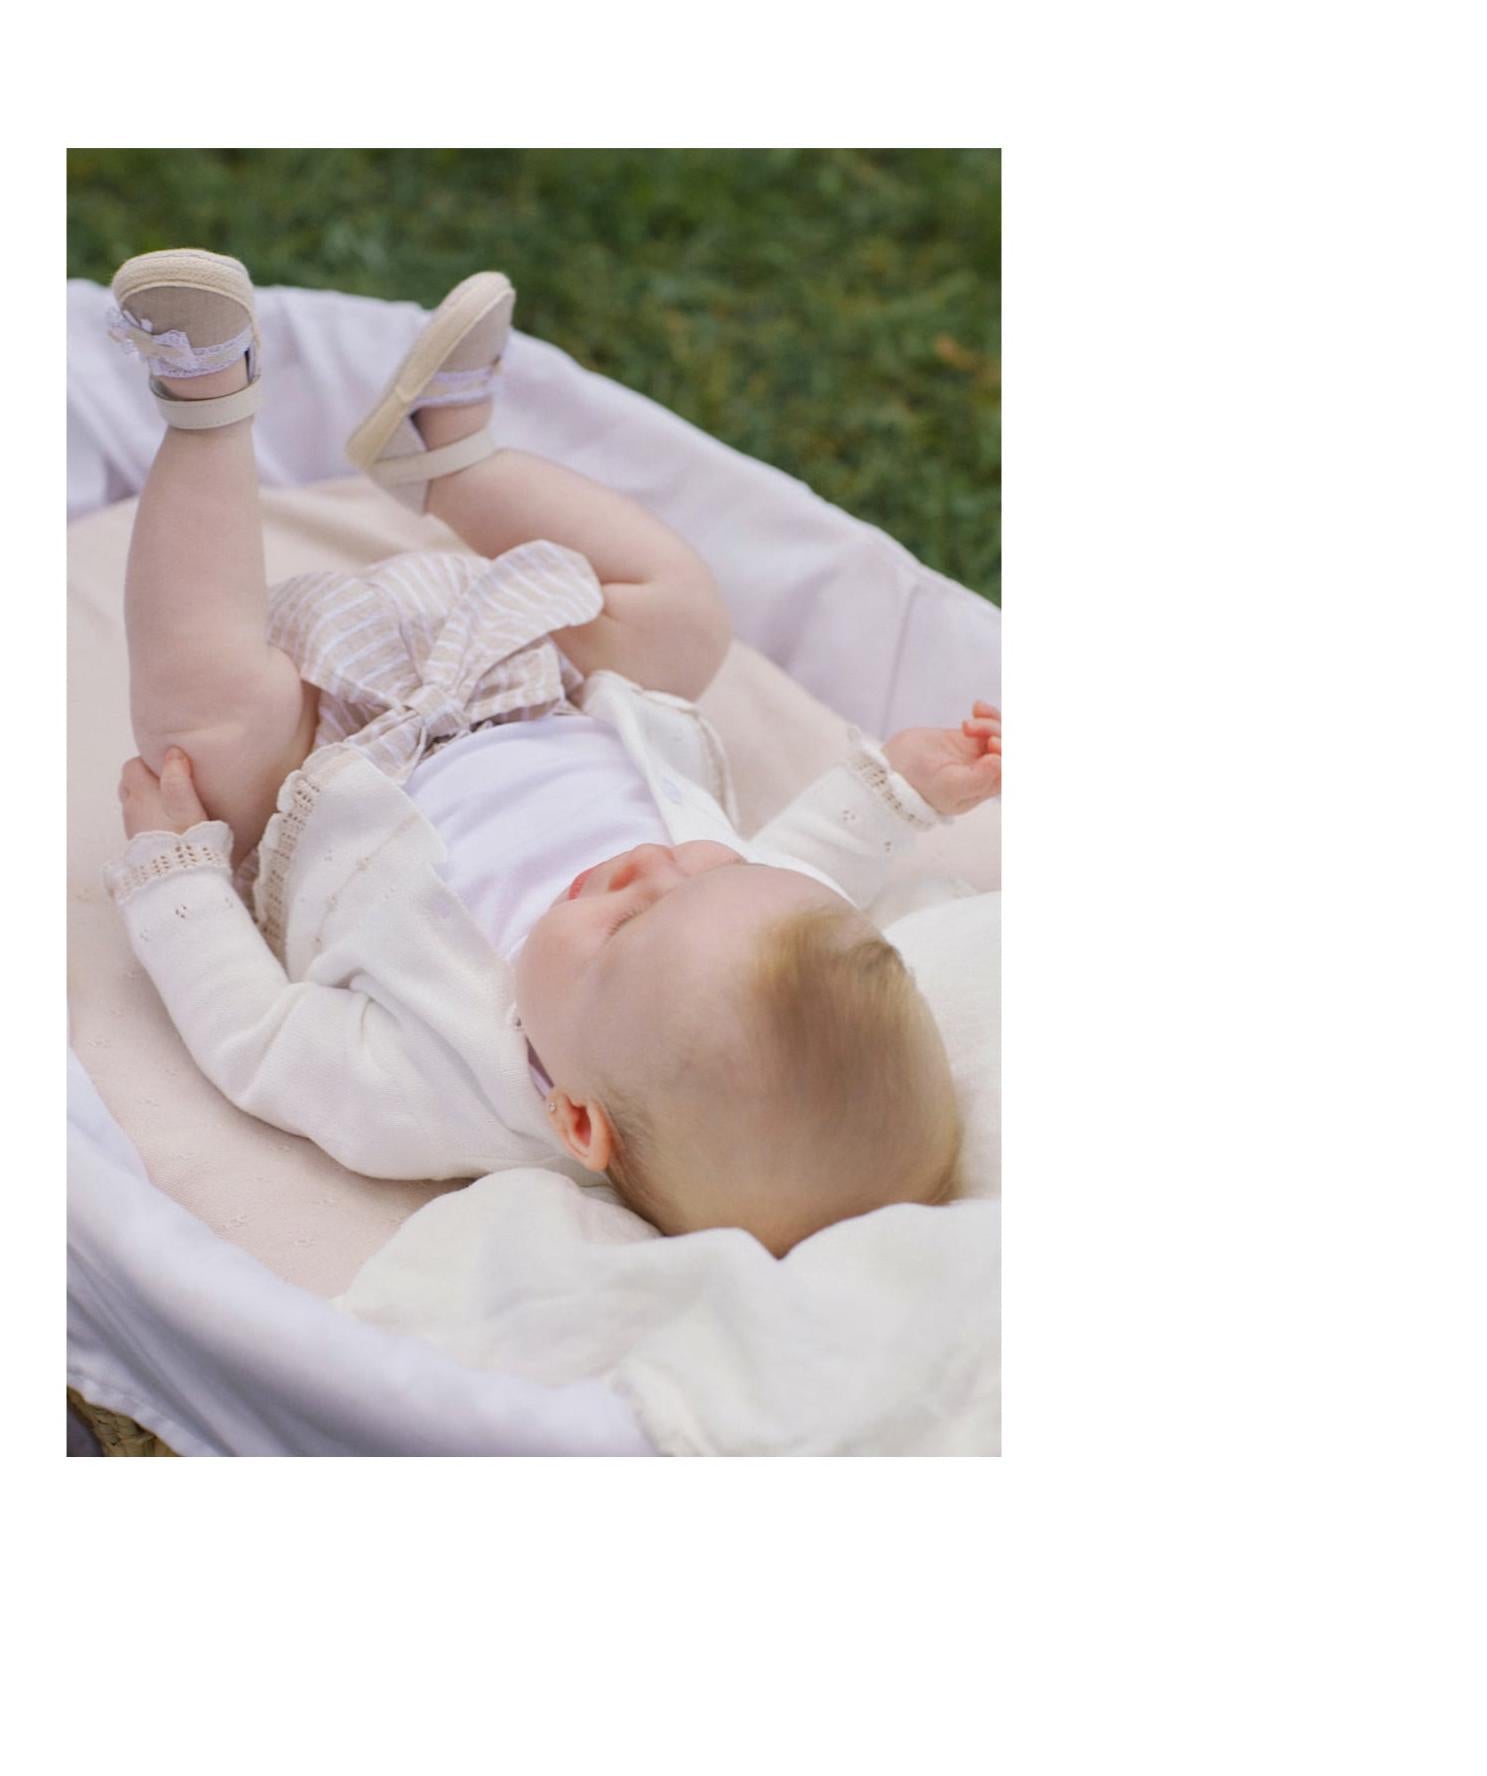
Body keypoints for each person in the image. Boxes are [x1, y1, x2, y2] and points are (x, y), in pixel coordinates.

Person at [103, 249, 1001, 1255]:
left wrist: (177, 877)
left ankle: (205, 402)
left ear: (577, 1121)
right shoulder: (741, 938)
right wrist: (903, 789)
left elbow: (257, 1040)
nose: (652, 864)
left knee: (202, 723)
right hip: (537, 685)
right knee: (684, 613)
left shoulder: (436, 1097)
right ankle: (447, 459)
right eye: (714, 870)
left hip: (314, 768)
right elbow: (814, 861)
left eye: (628, 920)